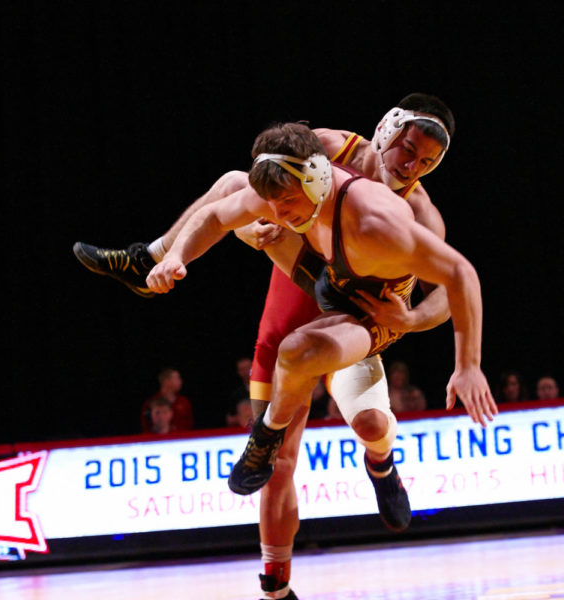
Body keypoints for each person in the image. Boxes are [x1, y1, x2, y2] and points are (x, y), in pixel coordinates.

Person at [75, 94, 463, 599]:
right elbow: (246, 199)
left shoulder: (412, 211)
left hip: (353, 320)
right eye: (407, 151)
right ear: (387, 130)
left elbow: (457, 287)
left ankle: (382, 462)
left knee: (370, 423)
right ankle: (275, 587)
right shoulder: (326, 147)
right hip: (301, 294)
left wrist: (409, 319)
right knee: (239, 184)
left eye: (426, 164)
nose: (410, 168)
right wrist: (258, 223)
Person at [146, 121, 495, 523]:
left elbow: (461, 274)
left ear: (316, 180)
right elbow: (215, 215)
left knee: (321, 374)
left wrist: (464, 363)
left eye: (425, 161)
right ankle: (268, 434)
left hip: (370, 315)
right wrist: (177, 258)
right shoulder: (295, 182)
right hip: (330, 281)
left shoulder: (378, 222)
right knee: (237, 193)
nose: (279, 213)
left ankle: (373, 461)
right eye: (408, 150)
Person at [141, 367, 194, 433]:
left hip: (182, 440)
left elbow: (190, 424)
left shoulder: (184, 402)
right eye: (177, 378)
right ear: (167, 381)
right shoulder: (150, 403)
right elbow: (146, 426)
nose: (180, 381)